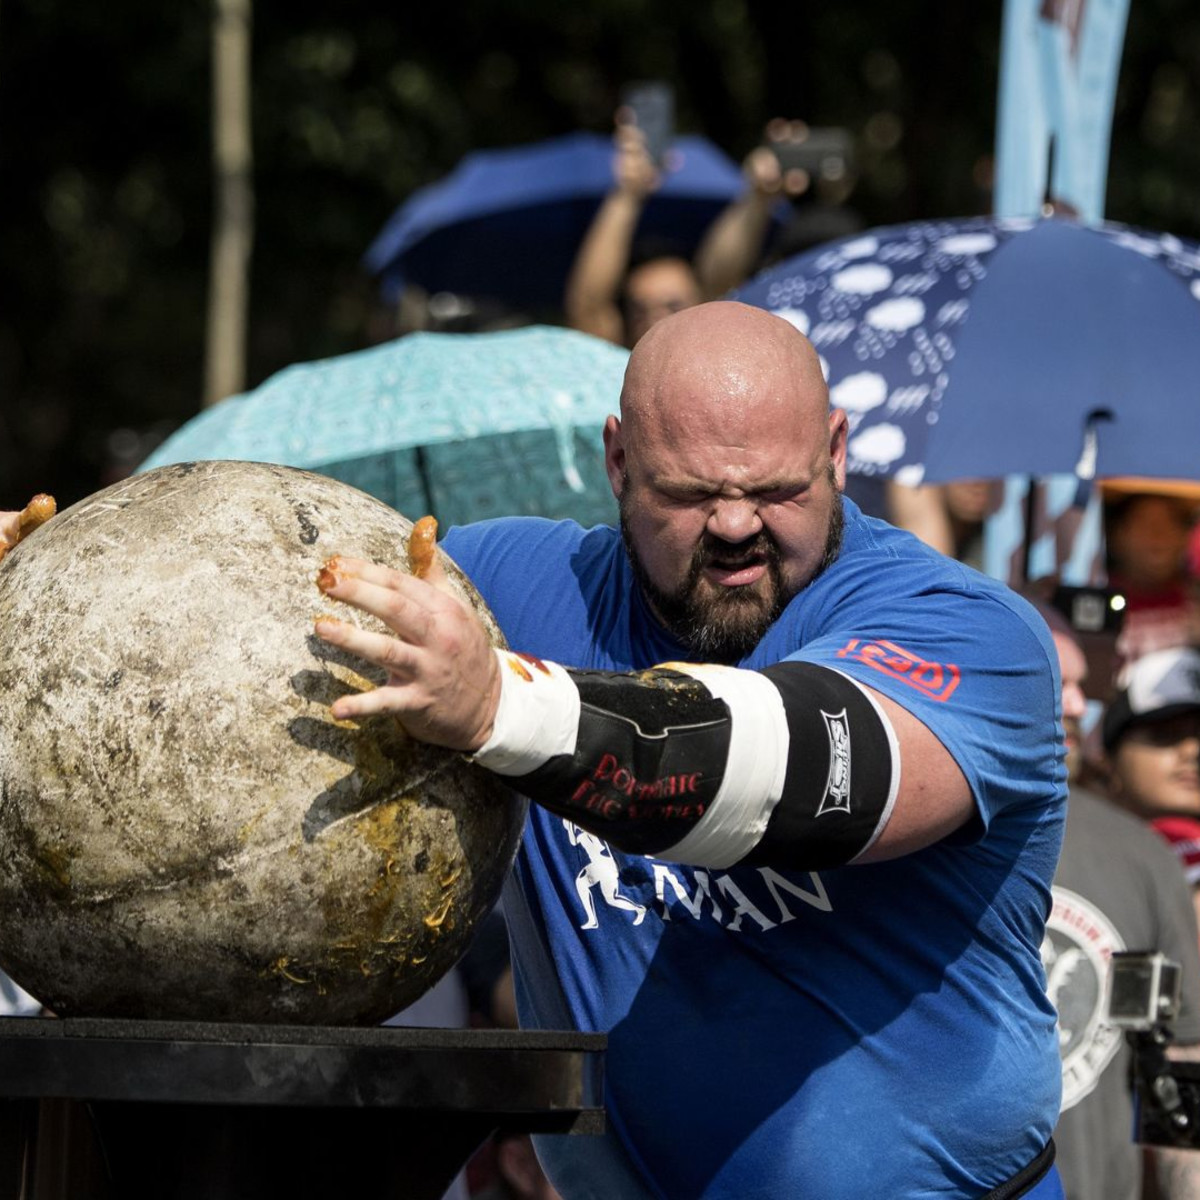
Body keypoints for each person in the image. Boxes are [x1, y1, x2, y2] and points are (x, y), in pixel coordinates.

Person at [306, 300, 1067, 1198]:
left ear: (836, 451)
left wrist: (499, 705)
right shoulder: (509, 592)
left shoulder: (969, 632)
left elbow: (797, 775)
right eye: (692, 494)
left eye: (779, 490)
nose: (738, 527)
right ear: (619, 461)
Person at [1034, 602, 1200, 1200]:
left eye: (1083, 687)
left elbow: (1179, 1056)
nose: (1077, 707)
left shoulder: (1140, 857)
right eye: (1055, 682)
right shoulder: (905, 842)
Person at [564, 117, 801, 348]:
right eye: (639, 312)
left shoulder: (718, 354)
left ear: (704, 305)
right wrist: (627, 192)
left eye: (673, 307)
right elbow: (588, 306)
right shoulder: (616, 365)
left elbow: (721, 275)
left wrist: (758, 198)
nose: (655, 320)